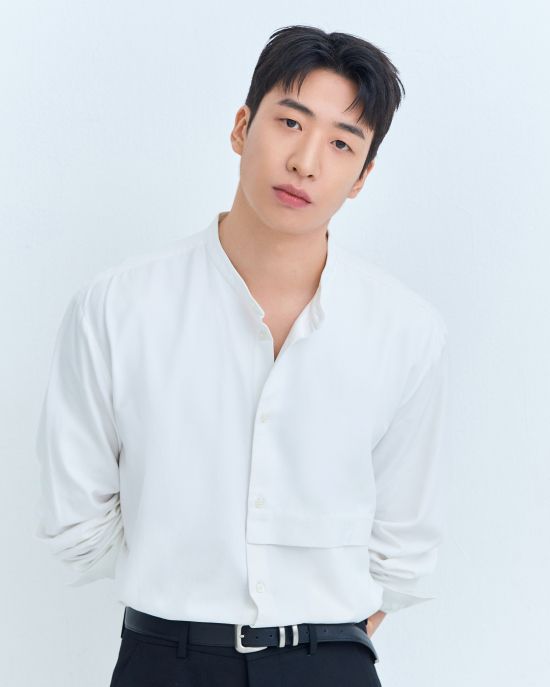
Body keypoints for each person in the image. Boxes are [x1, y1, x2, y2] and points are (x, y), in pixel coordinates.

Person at [34, 24, 449, 687]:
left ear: (362, 176)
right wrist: (177, 588)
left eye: (341, 143)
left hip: (330, 664)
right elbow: (77, 522)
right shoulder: (118, 306)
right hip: (164, 659)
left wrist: (322, 636)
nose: (306, 162)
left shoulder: (404, 329)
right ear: (241, 127)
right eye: (290, 123)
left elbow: (404, 542)